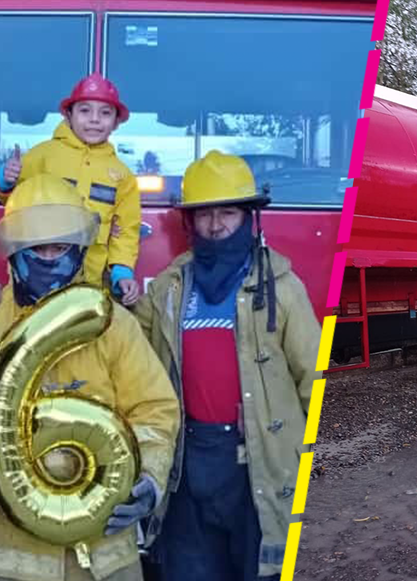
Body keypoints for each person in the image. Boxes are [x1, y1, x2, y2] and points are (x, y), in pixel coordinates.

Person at [0, 174, 179, 581]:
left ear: (80, 250)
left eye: (60, 248)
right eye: (37, 248)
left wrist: (150, 480)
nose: (50, 258)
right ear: (13, 252)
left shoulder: (114, 325)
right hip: (0, 563)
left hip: (103, 561)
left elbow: (154, 409)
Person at [133, 151, 322, 581]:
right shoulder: (168, 288)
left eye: (228, 212)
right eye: (205, 214)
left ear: (250, 216)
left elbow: (313, 380)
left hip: (256, 466)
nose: (216, 224)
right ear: (190, 222)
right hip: (186, 467)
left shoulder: (283, 290)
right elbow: (132, 359)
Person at [0, 73, 142, 305]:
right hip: (36, 280)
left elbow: (126, 231)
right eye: (85, 110)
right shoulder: (42, 155)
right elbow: (14, 205)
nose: (94, 119)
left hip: (90, 286)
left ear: (116, 122)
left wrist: (122, 272)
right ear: (68, 115)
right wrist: (5, 180)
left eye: (105, 113)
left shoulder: (123, 176)